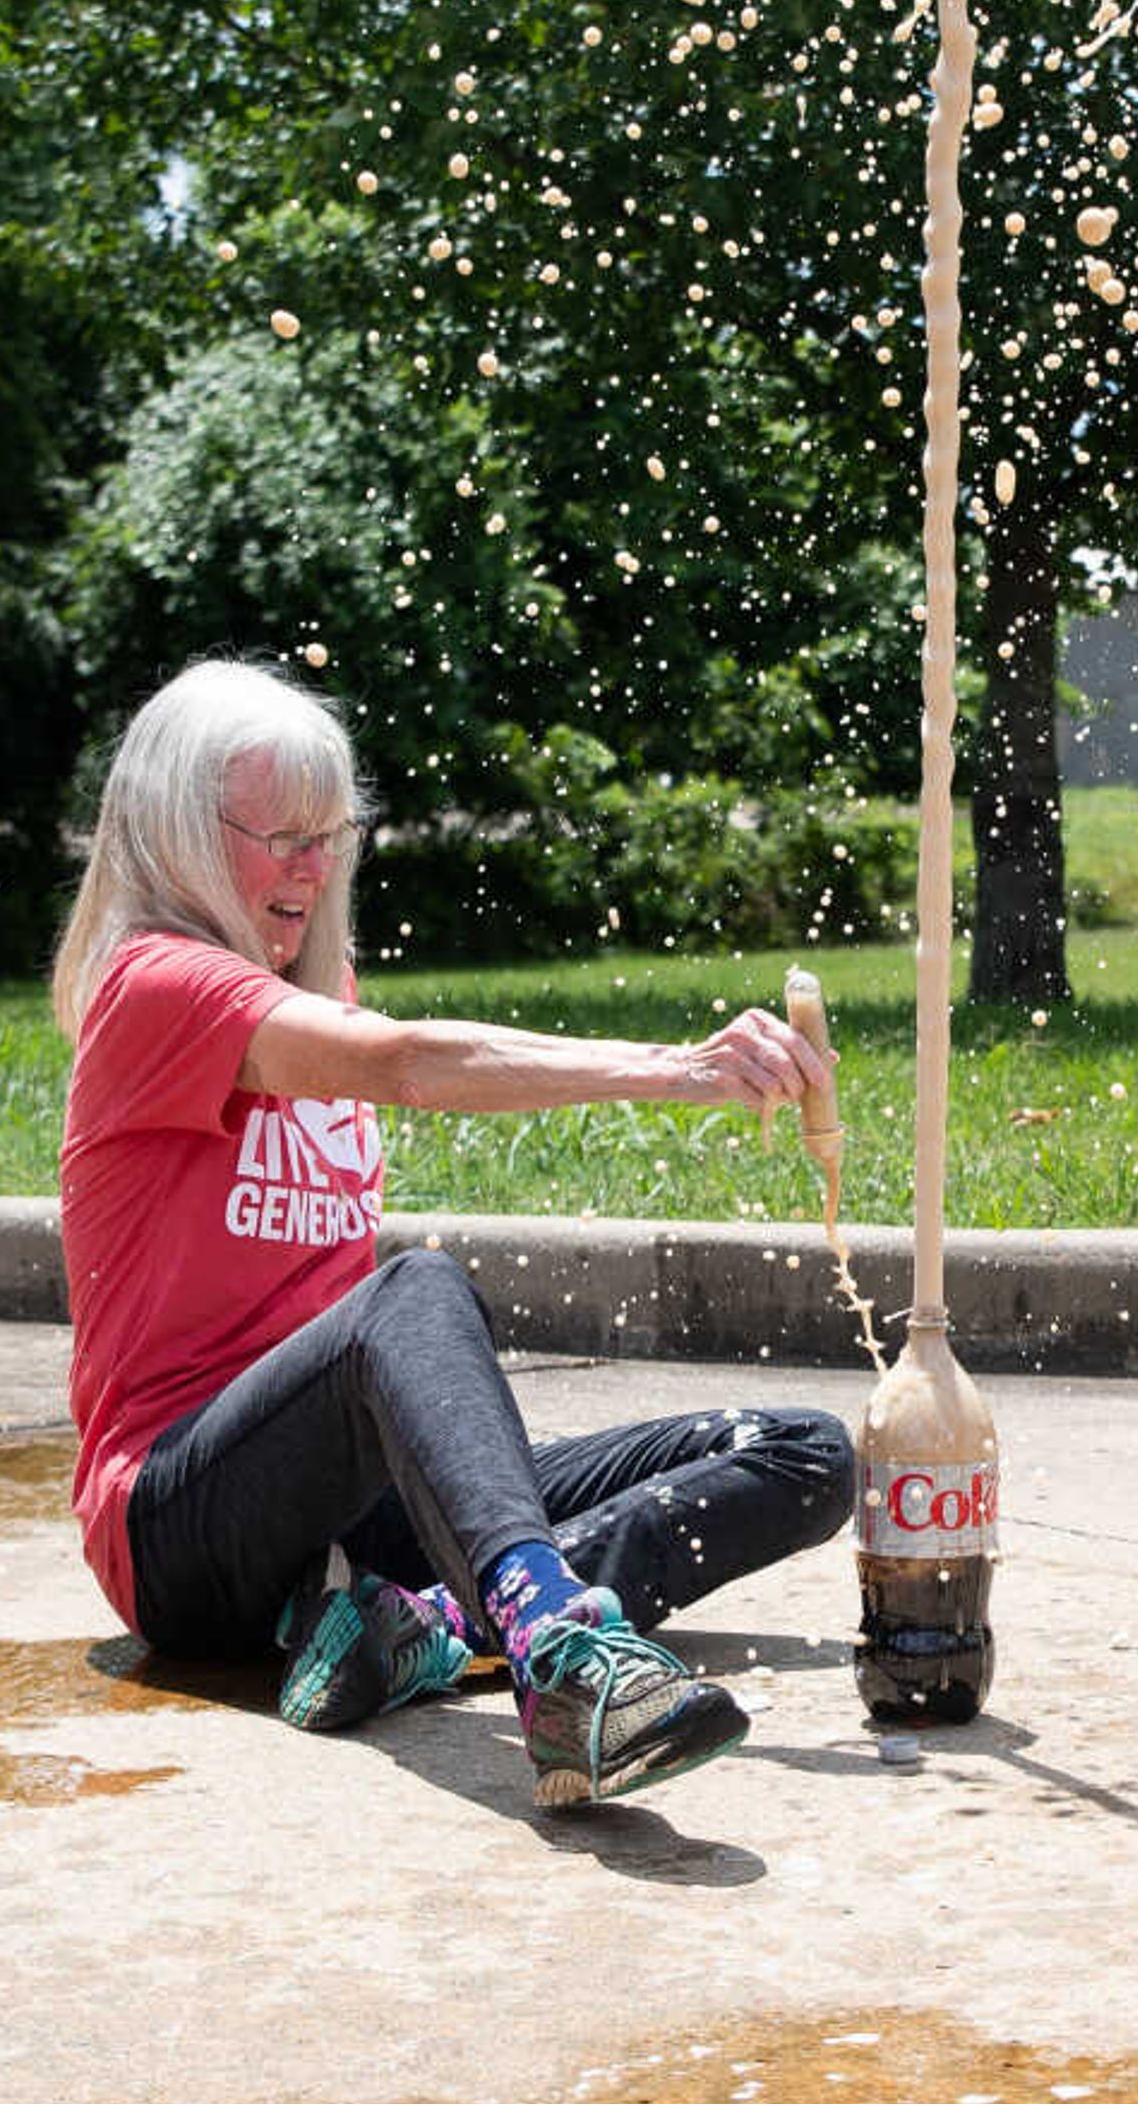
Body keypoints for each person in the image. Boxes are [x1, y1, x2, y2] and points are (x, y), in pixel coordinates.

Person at [52, 659, 856, 1812]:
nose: (311, 865)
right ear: (178, 832)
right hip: (183, 1527)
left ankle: (422, 1629)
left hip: (348, 1515)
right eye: (276, 832)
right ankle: (563, 1654)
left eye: (328, 833)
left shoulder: (319, 992)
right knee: (413, 1288)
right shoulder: (157, 986)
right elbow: (414, 1063)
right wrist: (679, 1069)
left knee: (802, 1450)